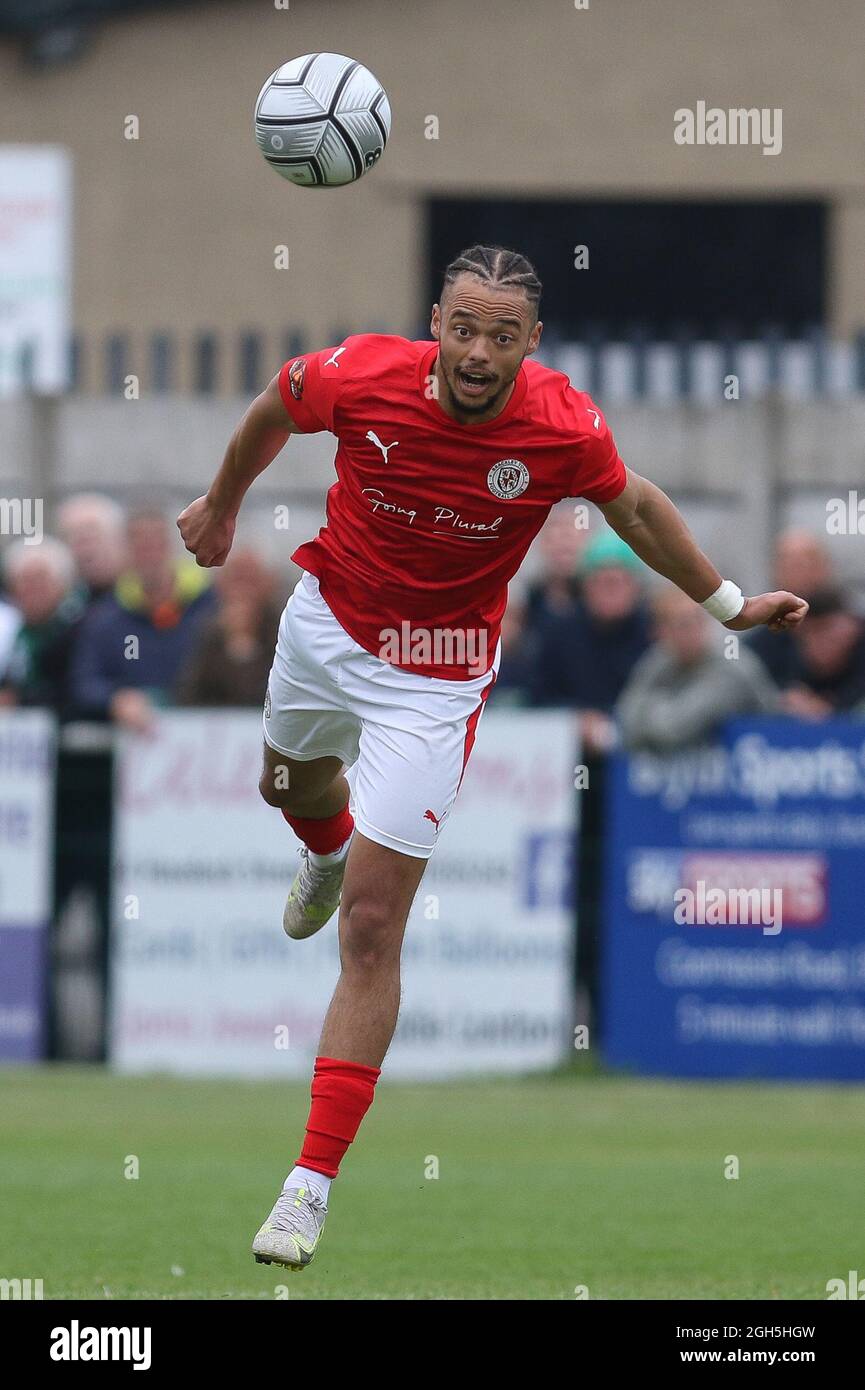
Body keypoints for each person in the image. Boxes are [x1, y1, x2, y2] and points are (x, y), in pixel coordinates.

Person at [176, 243, 808, 1272]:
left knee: (373, 929)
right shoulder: (357, 375)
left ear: (532, 343)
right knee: (286, 787)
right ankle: (322, 846)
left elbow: (634, 506)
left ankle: (306, 1186)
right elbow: (269, 411)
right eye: (463, 328)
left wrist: (729, 603)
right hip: (328, 629)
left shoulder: (560, 426)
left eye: (501, 337)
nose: (478, 352)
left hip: (439, 674)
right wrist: (221, 504)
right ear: (436, 321)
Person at [70, 506, 214, 731]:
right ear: (126, 551)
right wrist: (115, 699)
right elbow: (85, 681)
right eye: (140, 545)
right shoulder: (104, 617)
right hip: (135, 744)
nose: (149, 553)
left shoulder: (208, 607)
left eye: (156, 543)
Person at [528, 529, 652, 753]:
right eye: (602, 581)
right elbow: (539, 696)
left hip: (642, 753)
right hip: (572, 755)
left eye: (618, 581)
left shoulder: (654, 632)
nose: (610, 590)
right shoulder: (558, 633)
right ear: (585, 587)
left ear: (636, 587)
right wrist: (576, 719)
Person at [617, 584, 779, 751]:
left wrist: (652, 706)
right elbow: (625, 719)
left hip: (767, 762)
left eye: (698, 619)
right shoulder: (659, 659)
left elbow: (673, 729)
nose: (694, 629)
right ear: (660, 631)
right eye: (683, 624)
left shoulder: (730, 665)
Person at [175, 548, 282, 706]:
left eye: (251, 581)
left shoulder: (282, 631)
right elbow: (189, 695)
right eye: (236, 580)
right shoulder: (205, 630)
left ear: (268, 585)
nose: (242, 592)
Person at [0, 538, 83, 716]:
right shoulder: (8, 631)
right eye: (24, 580)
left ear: (62, 585)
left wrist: (19, 699)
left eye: (41, 579)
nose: (32, 589)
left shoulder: (78, 632)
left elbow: (79, 689)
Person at [746, 529, 833, 689]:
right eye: (786, 565)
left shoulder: (853, 631)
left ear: (823, 569)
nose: (793, 573)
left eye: (801, 564)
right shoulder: (757, 643)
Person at [779, 586, 865, 717]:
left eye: (827, 629)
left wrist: (833, 708)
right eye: (810, 633)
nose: (820, 641)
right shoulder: (781, 650)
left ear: (852, 626)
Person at [57, 493, 126, 611]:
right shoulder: (64, 608)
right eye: (74, 536)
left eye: (92, 535)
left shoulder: (145, 599)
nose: (85, 548)